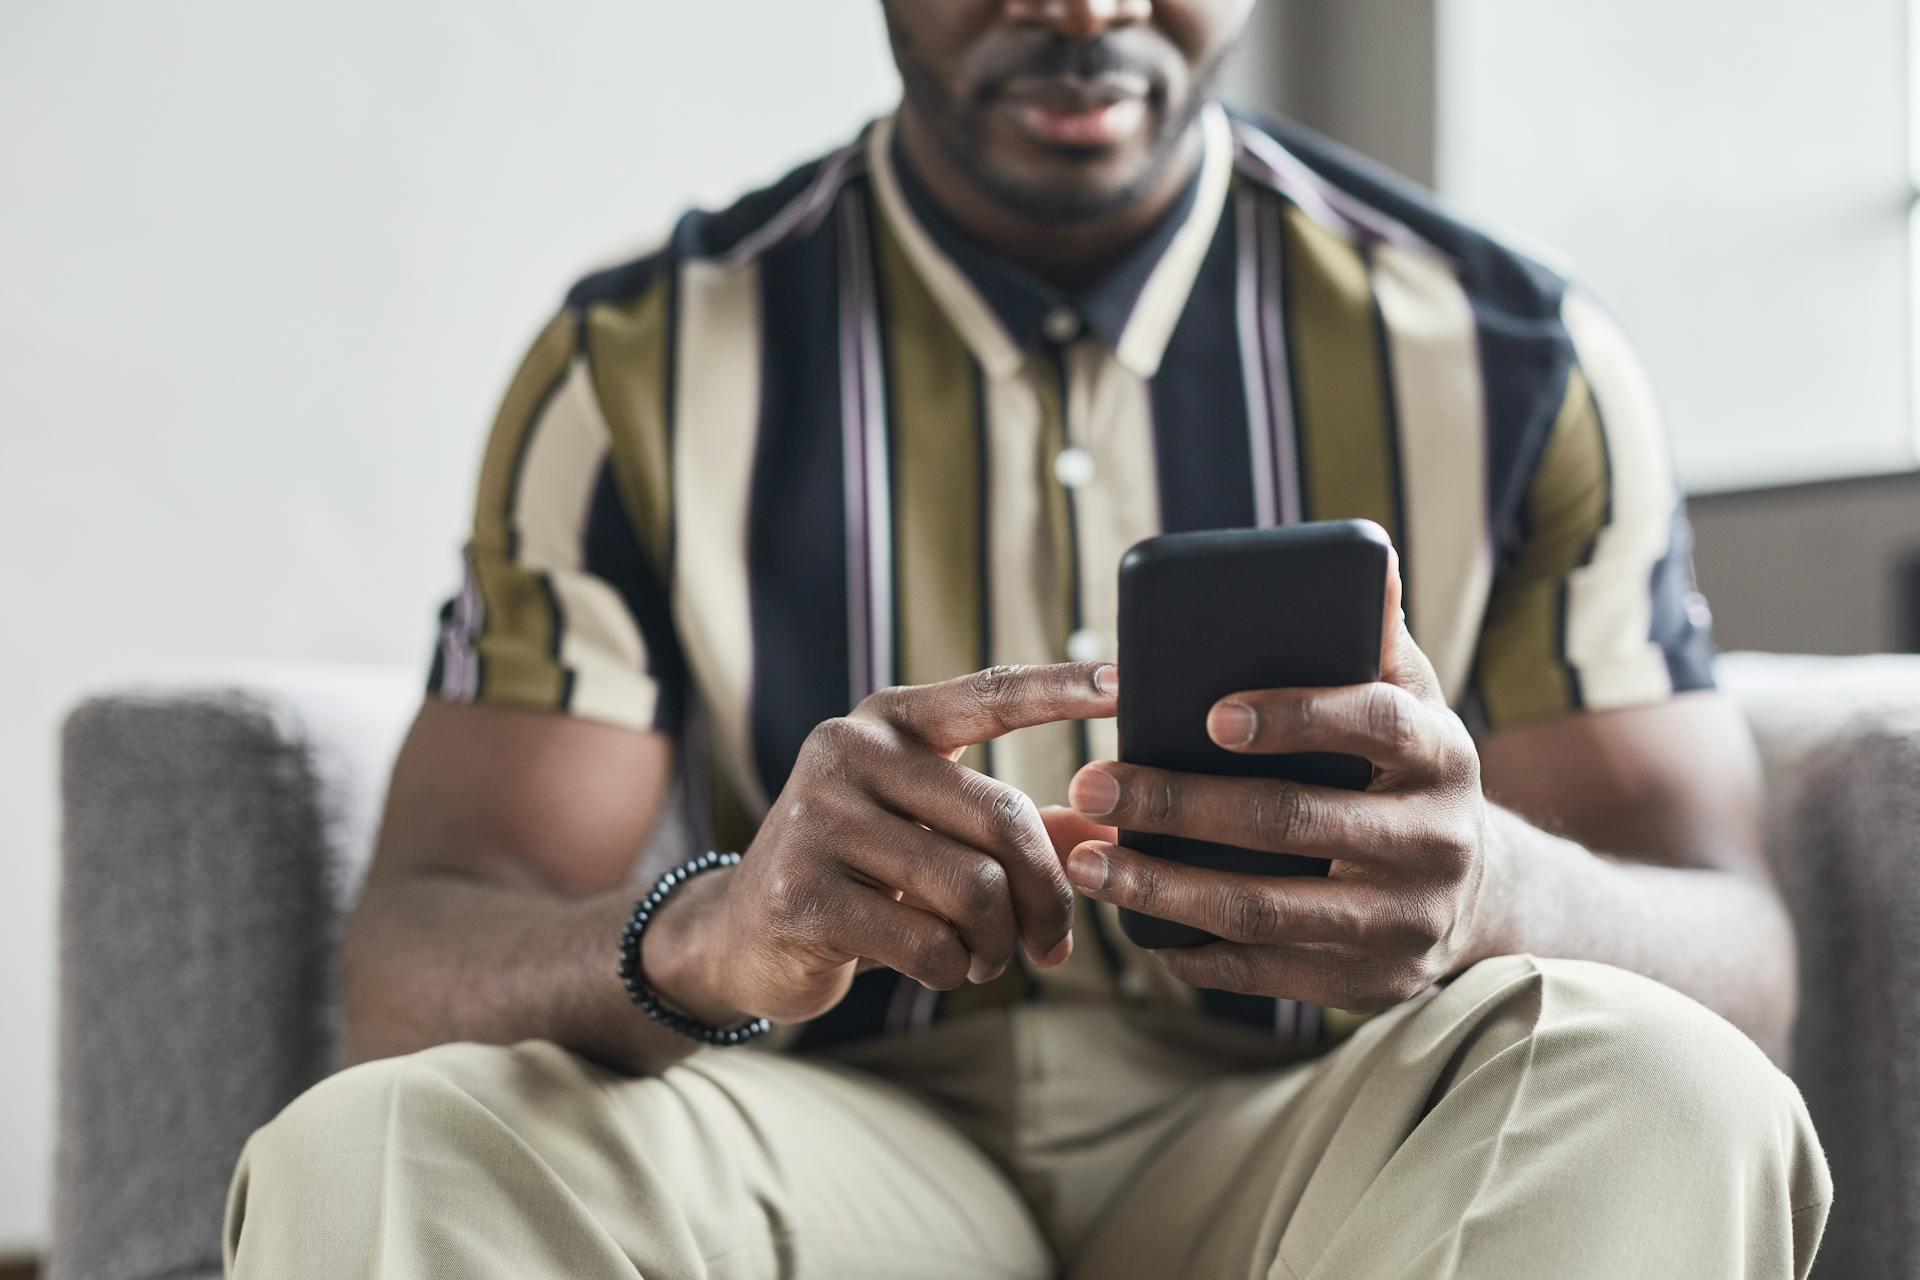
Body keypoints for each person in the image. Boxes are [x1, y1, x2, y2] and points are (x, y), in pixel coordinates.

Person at [222, 2, 1831, 1277]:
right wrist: (710, 930)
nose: (1084, 5)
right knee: (370, 1148)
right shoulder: (635, 368)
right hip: (828, 1132)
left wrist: (1495, 885)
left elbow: (1738, 962)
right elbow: (413, 956)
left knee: (1676, 1094)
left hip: (1326, 1142)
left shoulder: (1516, 358)